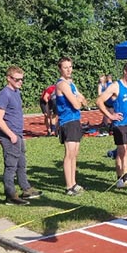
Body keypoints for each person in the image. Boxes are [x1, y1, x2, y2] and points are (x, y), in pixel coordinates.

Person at [0, 66, 41, 205]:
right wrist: (11, 135)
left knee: (21, 163)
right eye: (17, 79)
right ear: (9, 78)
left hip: (18, 134)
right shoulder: (4, 94)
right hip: (9, 136)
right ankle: (10, 196)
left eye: (22, 79)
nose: (20, 82)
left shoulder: (16, 92)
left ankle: (26, 189)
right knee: (11, 166)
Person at [96, 62, 127, 188]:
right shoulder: (116, 86)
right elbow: (99, 101)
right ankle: (120, 178)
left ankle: (126, 176)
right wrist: (110, 116)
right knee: (122, 151)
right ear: (125, 72)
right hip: (119, 124)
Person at [56, 57, 89, 195]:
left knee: (75, 154)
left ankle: (73, 183)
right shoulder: (62, 85)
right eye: (65, 67)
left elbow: (85, 102)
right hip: (67, 121)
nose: (69, 70)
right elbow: (76, 104)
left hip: (76, 120)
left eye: (70, 67)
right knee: (69, 154)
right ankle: (68, 186)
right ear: (60, 69)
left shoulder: (72, 84)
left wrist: (80, 100)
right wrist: (79, 100)